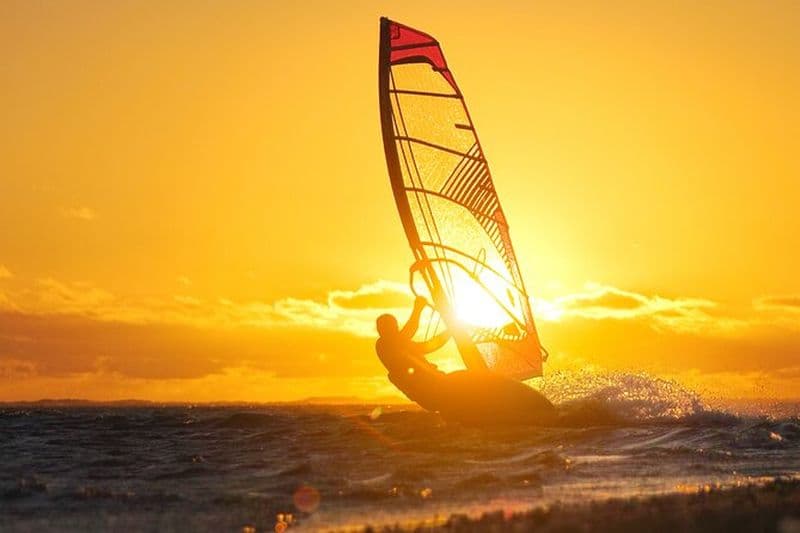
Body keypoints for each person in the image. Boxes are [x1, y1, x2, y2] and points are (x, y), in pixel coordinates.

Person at [375, 296, 450, 385]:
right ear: (381, 329)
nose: (396, 329)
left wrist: (448, 332)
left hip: (430, 381)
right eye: (392, 327)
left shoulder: (401, 345)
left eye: (396, 327)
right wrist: (417, 308)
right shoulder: (383, 345)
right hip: (424, 384)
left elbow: (428, 346)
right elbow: (410, 330)